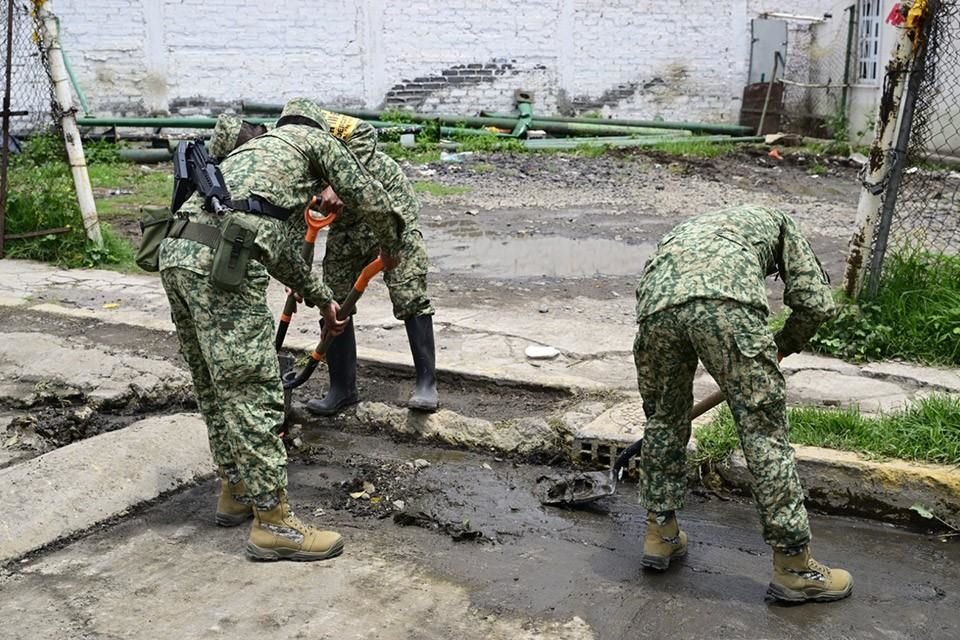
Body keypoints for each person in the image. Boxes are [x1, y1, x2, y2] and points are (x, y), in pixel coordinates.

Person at [159, 98, 405, 562]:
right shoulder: (316, 142)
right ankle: (273, 523)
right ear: (319, 131)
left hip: (175, 254)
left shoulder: (253, 157)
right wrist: (392, 247)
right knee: (253, 389)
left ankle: (236, 490)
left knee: (215, 384)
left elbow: (279, 249)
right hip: (220, 272)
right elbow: (371, 197)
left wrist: (323, 299)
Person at [632, 204, 852, 603]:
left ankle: (659, 534)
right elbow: (815, 303)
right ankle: (795, 567)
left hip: (655, 308)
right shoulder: (782, 223)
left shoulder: (696, 225)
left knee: (664, 420)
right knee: (763, 433)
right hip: (727, 304)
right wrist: (784, 343)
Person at [211, 110, 438, 414]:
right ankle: (342, 389)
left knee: (407, 287)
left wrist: (336, 184)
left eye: (246, 143)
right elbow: (288, 224)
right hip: (346, 221)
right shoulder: (270, 167)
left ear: (254, 131)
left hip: (389, 202)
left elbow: (364, 133)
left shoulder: (300, 118)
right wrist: (296, 276)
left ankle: (427, 384)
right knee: (334, 294)